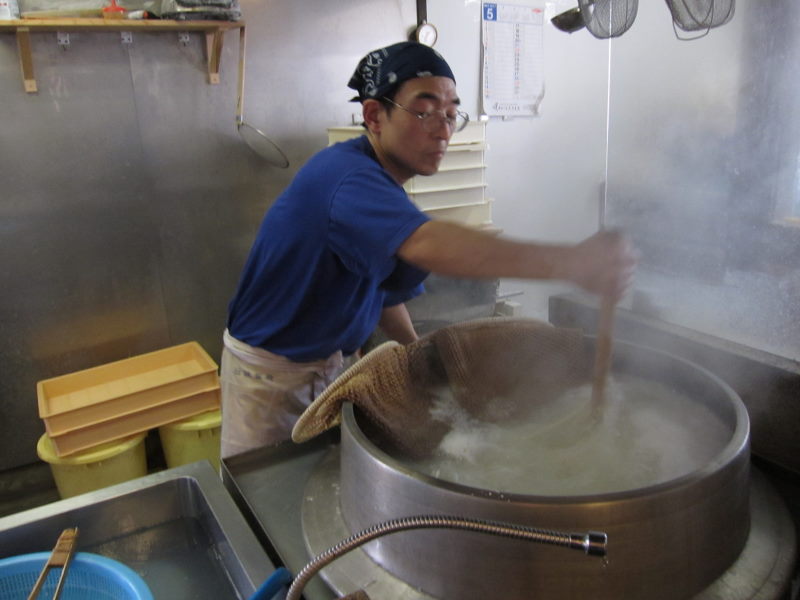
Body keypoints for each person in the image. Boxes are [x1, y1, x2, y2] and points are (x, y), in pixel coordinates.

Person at [219, 41, 636, 458]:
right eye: (424, 110)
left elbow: (381, 289)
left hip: (319, 364)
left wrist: (419, 357)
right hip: (270, 382)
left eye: (452, 113)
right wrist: (573, 263)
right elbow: (429, 243)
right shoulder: (346, 178)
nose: (443, 129)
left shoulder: (381, 187)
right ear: (373, 116)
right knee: (264, 500)